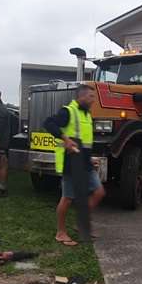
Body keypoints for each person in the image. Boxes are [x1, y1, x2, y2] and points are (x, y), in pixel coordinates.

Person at [43, 84, 105, 246]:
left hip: (85, 162)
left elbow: (83, 142)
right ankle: (61, 232)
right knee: (68, 198)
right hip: (71, 163)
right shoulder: (68, 111)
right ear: (81, 97)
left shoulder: (87, 115)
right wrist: (66, 140)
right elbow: (48, 123)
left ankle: (81, 223)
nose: (93, 100)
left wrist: (89, 158)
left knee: (98, 192)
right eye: (91, 97)